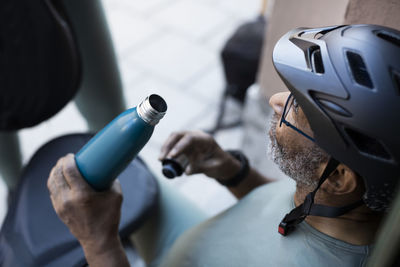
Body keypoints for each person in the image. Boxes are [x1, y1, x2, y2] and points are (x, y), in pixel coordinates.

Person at [47, 24, 400, 266]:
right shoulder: (336, 199)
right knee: (133, 174)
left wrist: (99, 243)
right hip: (193, 241)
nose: (276, 100)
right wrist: (232, 171)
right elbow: (285, 213)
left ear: (338, 176)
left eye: (297, 107)